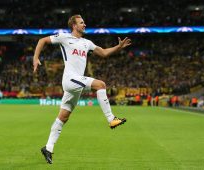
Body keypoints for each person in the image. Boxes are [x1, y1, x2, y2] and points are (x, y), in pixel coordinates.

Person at [33, 14, 131, 165]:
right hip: (69, 79)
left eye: (84, 22)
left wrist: (118, 47)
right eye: (81, 22)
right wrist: (35, 58)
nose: (84, 25)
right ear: (74, 25)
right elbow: (42, 40)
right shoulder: (64, 38)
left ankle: (48, 147)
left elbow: (104, 53)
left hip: (76, 84)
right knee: (101, 84)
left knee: (63, 118)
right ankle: (111, 119)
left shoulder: (87, 43)